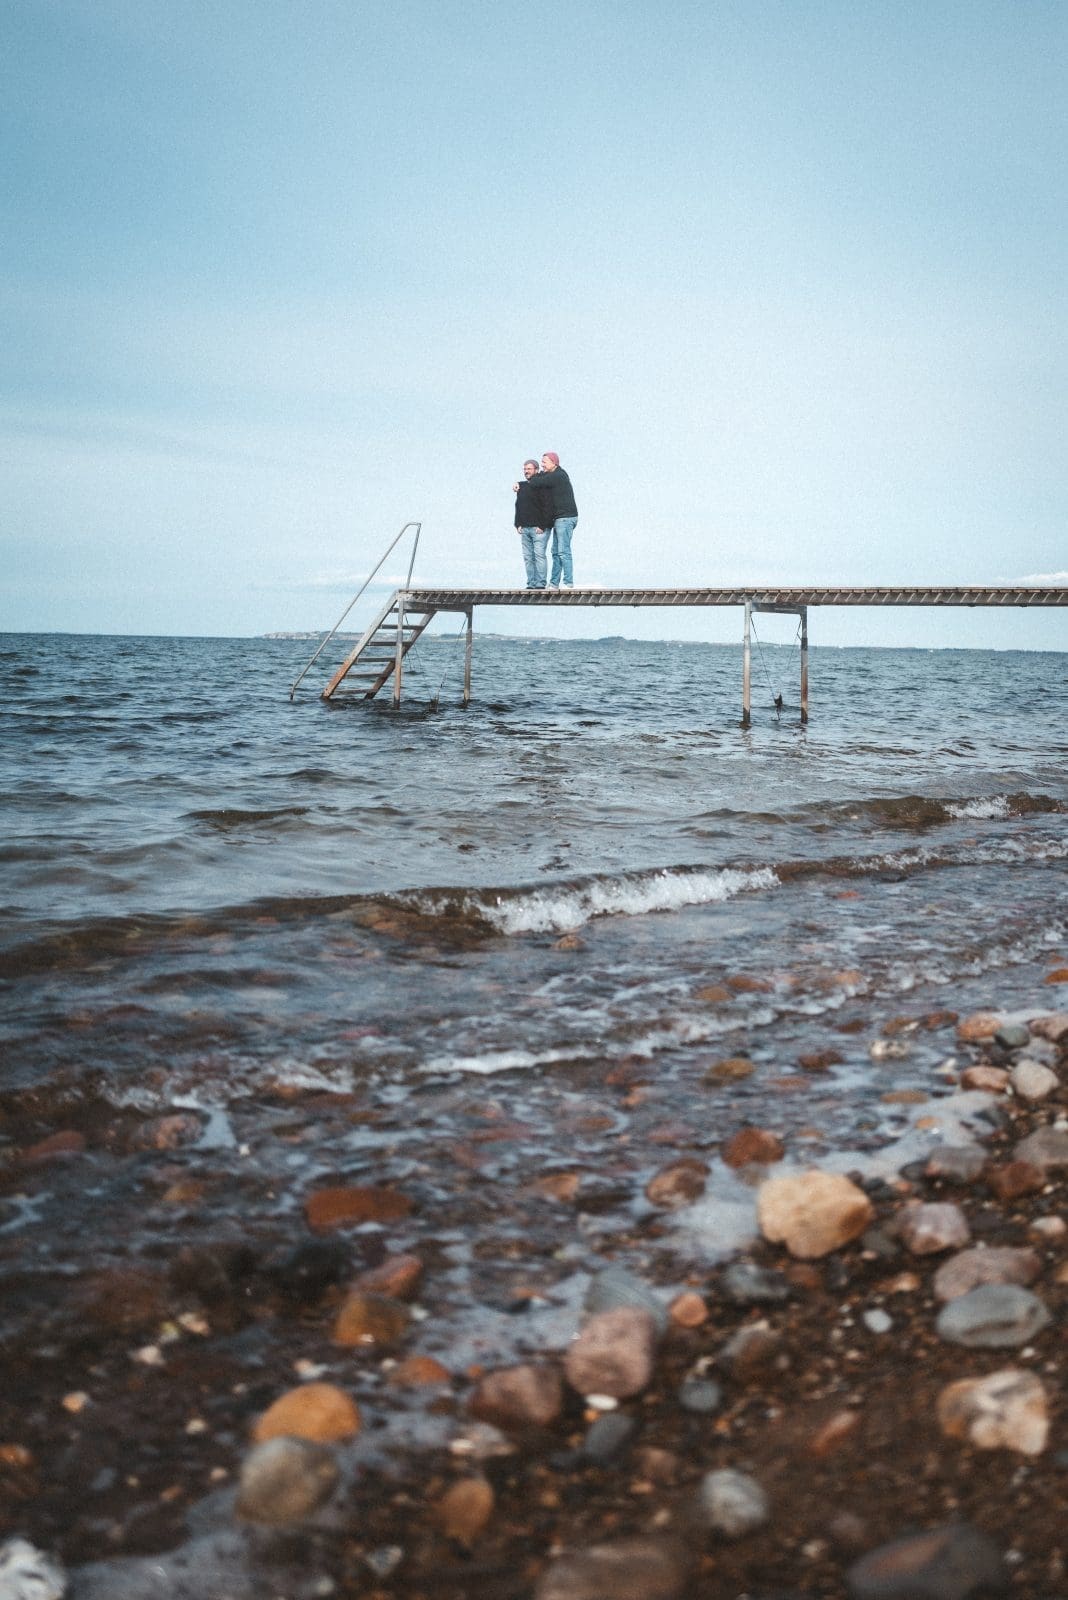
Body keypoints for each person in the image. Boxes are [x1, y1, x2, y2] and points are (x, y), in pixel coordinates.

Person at [537, 452, 579, 589]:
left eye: (544, 462)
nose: (542, 464)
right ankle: (554, 583)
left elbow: (539, 481)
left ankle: (568, 582)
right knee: (555, 552)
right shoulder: (553, 475)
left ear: (554, 463)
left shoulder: (558, 476)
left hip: (566, 518)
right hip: (560, 518)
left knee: (563, 551)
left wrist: (525, 481)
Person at [513, 458, 553, 589]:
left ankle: (541, 584)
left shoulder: (543, 485)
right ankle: (531, 584)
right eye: (524, 469)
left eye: (529, 469)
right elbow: (518, 506)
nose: (526, 471)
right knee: (528, 558)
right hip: (525, 528)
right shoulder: (522, 486)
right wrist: (517, 524)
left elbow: (548, 506)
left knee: (539, 555)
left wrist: (543, 525)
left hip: (539, 529)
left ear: (536, 470)